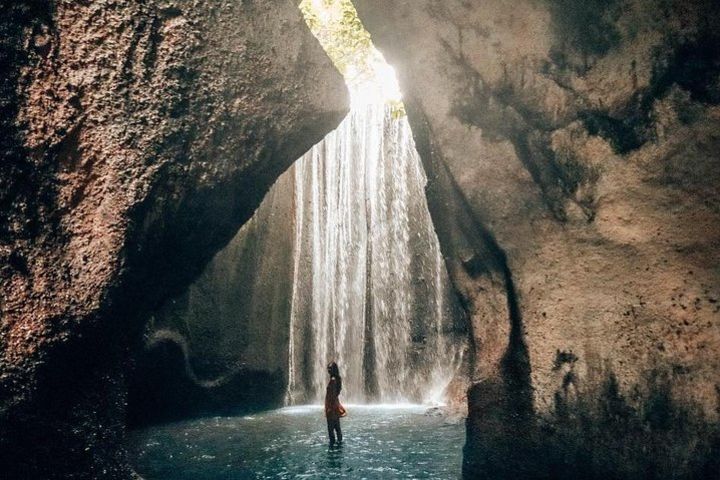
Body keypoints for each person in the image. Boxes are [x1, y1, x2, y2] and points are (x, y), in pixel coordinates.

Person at [324, 361, 345, 446]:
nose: (328, 370)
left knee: (330, 429)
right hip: (336, 405)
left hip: (332, 407)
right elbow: (336, 393)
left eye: (330, 368)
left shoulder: (333, 380)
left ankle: (332, 448)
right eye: (328, 368)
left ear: (334, 370)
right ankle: (340, 446)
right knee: (337, 428)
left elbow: (331, 395)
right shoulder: (337, 379)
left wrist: (329, 408)